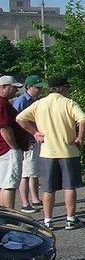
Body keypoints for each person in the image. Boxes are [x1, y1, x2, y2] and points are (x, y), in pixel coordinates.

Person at [16, 76, 85, 230]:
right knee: (70, 187)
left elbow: (20, 118)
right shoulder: (68, 103)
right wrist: (80, 138)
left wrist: (35, 132)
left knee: (49, 188)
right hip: (68, 150)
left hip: (47, 151)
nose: (69, 90)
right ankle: (70, 218)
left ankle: (48, 220)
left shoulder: (39, 104)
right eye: (68, 87)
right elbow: (83, 120)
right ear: (62, 88)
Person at [13, 75, 44, 212]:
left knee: (34, 172)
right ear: (29, 87)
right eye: (38, 87)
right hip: (27, 141)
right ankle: (25, 203)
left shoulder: (37, 101)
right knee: (26, 173)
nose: (40, 90)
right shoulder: (21, 102)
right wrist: (24, 139)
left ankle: (35, 198)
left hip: (35, 140)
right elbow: (17, 122)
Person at [0, 76, 32, 211]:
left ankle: (4, 217)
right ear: (4, 87)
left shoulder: (4, 103)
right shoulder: (2, 104)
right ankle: (9, 218)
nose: (16, 91)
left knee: (4, 184)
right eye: (14, 88)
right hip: (8, 150)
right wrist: (14, 148)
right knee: (9, 185)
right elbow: (4, 128)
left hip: (5, 149)